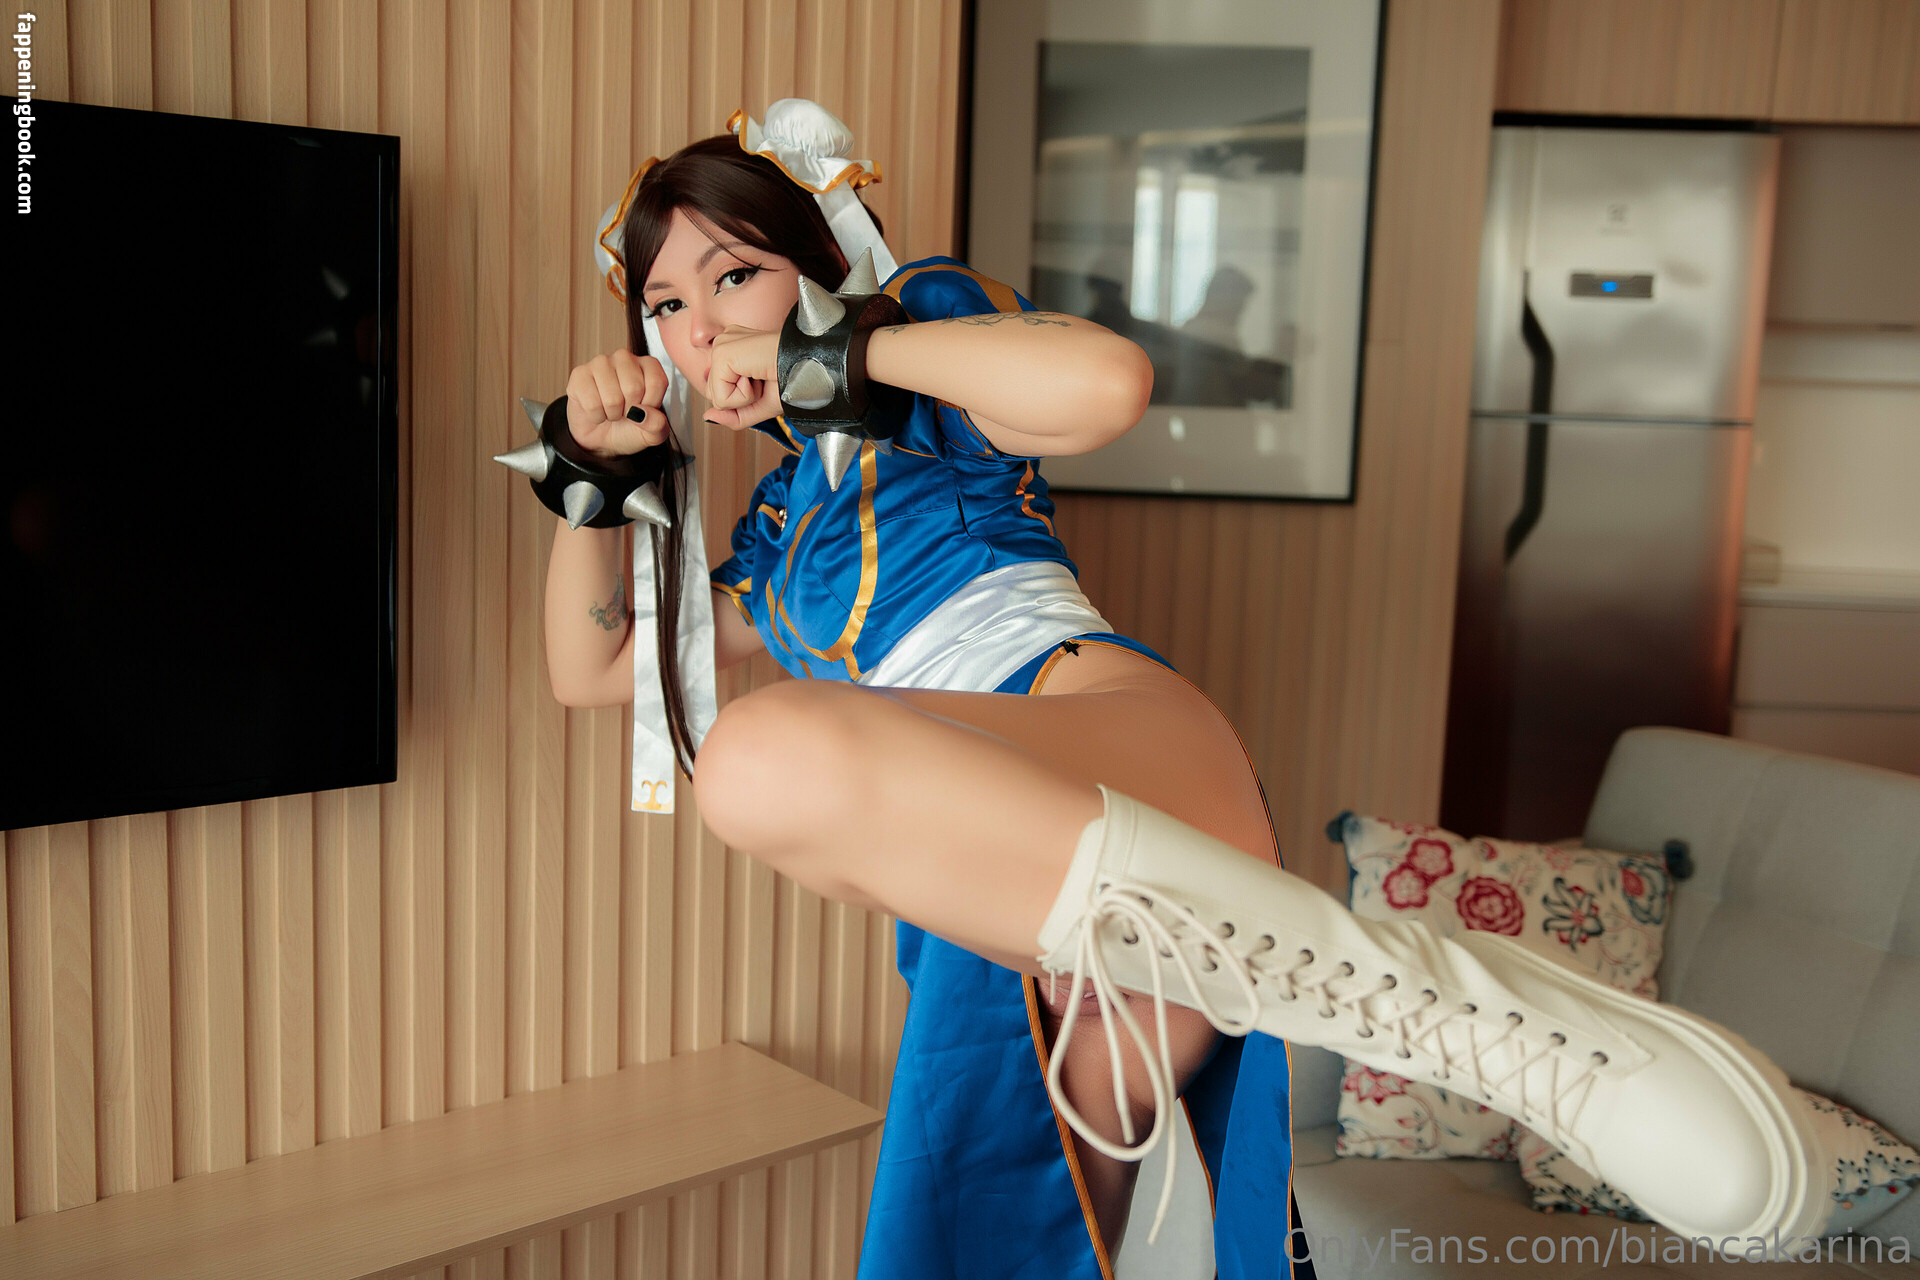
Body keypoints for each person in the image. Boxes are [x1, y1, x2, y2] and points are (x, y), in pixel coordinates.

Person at [527, 101, 1829, 1279]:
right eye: (665, 306)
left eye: (735, 274)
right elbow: (595, 672)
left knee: (759, 757)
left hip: (1114, 746)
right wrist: (590, 473)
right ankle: (1337, 974)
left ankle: (1433, 1012)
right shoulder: (777, 532)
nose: (703, 328)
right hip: (1008, 907)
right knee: (1049, 1228)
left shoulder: (919, 346)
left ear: (820, 266)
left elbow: (1105, 384)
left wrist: (850, 350)